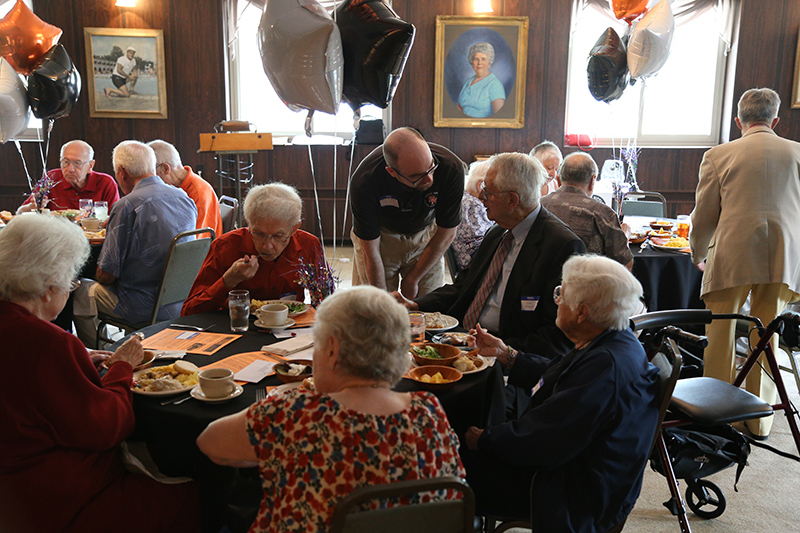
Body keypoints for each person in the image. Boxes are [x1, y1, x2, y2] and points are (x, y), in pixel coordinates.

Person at [196, 286, 465, 532]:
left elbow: (209, 441)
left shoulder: (296, 414)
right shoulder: (429, 412)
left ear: (333, 351)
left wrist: (273, 451)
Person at [0, 214, 200, 532]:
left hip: (12, 495)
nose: (70, 289)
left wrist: (78, 358)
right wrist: (122, 366)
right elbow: (108, 427)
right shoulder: (47, 344)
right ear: (48, 287)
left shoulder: (32, 337)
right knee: (195, 494)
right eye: (70, 283)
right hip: (55, 502)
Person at [461, 255, 659, 530]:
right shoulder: (616, 338)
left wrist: (484, 439)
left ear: (582, 312)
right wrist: (509, 356)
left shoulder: (604, 369)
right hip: (584, 471)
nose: (556, 301)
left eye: (560, 294)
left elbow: (542, 441)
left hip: (567, 492)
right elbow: (563, 374)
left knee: (450, 462)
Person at [690, 87, 800, 439]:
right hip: (784, 253)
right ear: (776, 120)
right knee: (769, 334)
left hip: (733, 252)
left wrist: (698, 253)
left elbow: (705, 214)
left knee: (720, 330)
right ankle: (759, 419)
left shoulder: (718, 155)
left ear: (739, 120)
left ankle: (716, 414)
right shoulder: (798, 153)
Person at [406, 152, 585, 359]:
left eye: (488, 192)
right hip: (462, 337)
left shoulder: (561, 246)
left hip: (506, 349)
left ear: (512, 200)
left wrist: (503, 351)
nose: (481, 197)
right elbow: (464, 286)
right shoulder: (498, 231)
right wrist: (416, 305)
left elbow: (556, 334)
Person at [73, 141, 197, 347]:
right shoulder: (183, 197)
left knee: (80, 290)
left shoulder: (127, 205)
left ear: (121, 172)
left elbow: (106, 275)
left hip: (140, 306)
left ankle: (98, 356)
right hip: (179, 300)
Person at [350, 127, 465, 299]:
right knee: (372, 306)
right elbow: (370, 251)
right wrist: (382, 303)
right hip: (382, 237)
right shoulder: (365, 180)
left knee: (429, 309)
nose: (429, 179)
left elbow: (447, 233)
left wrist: (413, 279)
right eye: (417, 176)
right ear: (392, 172)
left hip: (426, 236)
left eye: (431, 168)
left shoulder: (450, 168)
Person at [182, 182, 324, 316]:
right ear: (249, 223)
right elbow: (189, 312)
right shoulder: (225, 247)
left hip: (291, 330)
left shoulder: (308, 245)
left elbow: (323, 300)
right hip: (237, 328)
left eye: (279, 236)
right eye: (259, 234)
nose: (267, 245)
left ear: (294, 228)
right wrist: (228, 281)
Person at [541, 152, 633, 270]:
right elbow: (624, 265)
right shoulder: (602, 213)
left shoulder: (538, 206)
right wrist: (625, 236)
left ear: (558, 180)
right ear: (592, 181)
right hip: (587, 284)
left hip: (540, 284)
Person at [17, 140, 120, 213]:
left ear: (90, 166)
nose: (70, 169)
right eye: (65, 162)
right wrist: (32, 206)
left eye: (77, 163)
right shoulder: (51, 178)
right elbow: (20, 213)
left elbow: (115, 219)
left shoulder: (106, 183)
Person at [148, 139, 223, 238]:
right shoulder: (175, 188)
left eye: (152, 171)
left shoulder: (198, 192)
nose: (150, 178)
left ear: (165, 169)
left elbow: (196, 242)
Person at [451, 160, 493, 274]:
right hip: (475, 267)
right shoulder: (471, 205)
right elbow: (479, 245)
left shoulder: (467, 198)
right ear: (481, 185)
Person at [457, 42, 506, 118]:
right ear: (472, 61)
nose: (479, 63)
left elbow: (500, 117)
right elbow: (459, 109)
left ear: (489, 62)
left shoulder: (494, 85)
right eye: (476, 59)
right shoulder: (468, 82)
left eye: (483, 59)